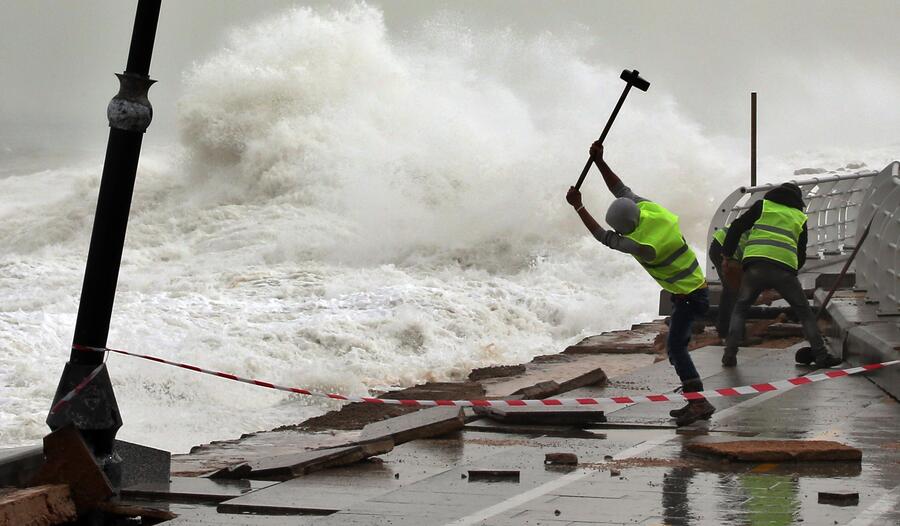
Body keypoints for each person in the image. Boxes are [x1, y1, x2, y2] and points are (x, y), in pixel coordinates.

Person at [566, 141, 714, 426]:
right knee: (677, 345)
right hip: (691, 291)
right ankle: (692, 396)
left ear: (627, 228)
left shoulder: (643, 245)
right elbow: (620, 190)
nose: (617, 233)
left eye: (619, 230)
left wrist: (579, 207)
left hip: (691, 296)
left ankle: (698, 402)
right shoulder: (650, 210)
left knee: (676, 348)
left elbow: (602, 237)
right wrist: (599, 161)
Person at [720, 182, 842, 368]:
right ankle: (821, 355)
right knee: (804, 313)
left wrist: (727, 255)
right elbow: (800, 254)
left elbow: (736, 227)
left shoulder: (763, 206)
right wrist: (789, 271)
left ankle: (729, 354)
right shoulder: (800, 217)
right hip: (784, 270)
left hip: (755, 266)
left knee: (741, 308)